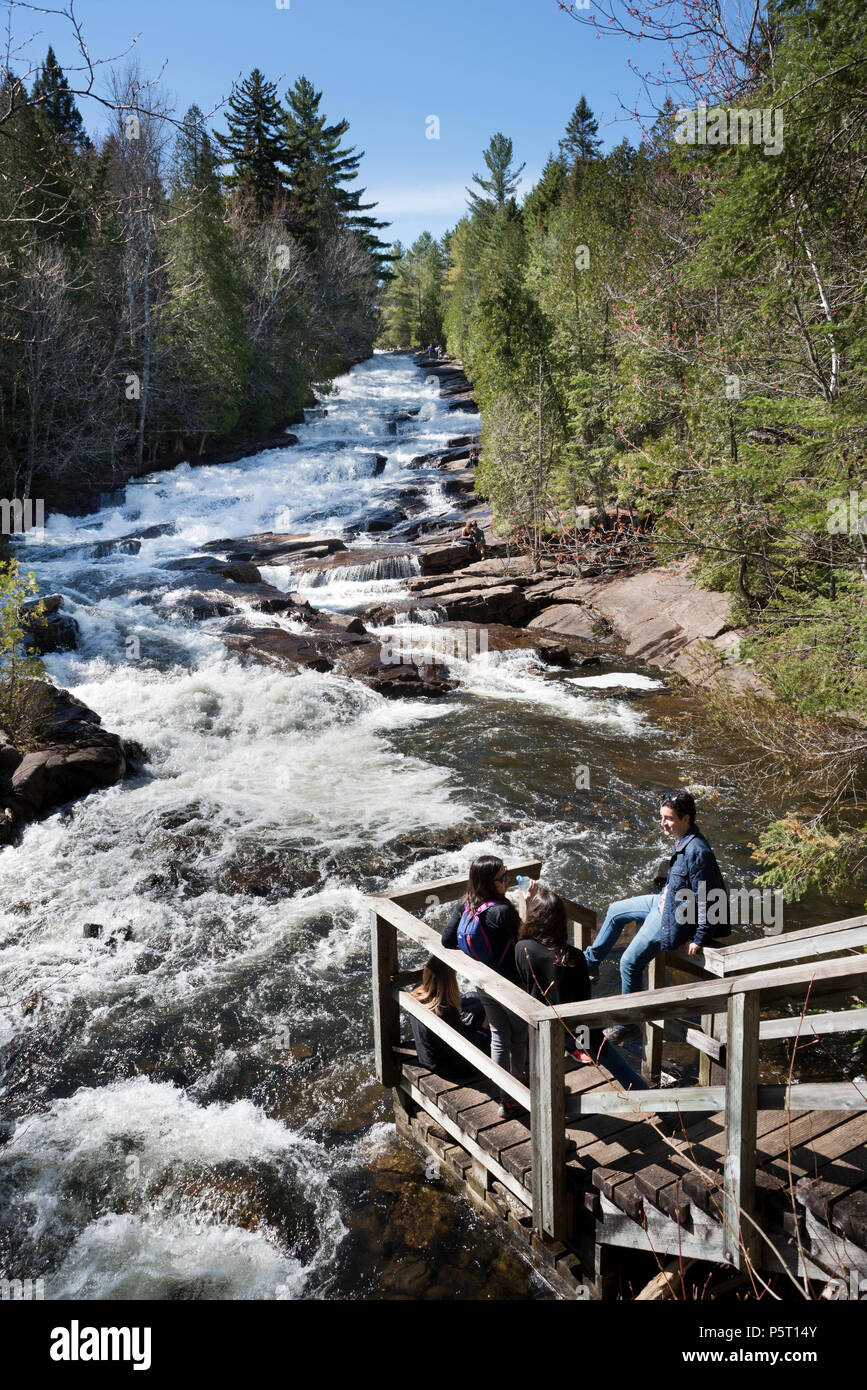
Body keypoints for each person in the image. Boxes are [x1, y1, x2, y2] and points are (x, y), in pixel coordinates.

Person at [583, 790, 727, 1043]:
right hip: (663, 901)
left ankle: (628, 1024)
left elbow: (709, 896)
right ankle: (590, 961)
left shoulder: (698, 852)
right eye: (662, 817)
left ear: (686, 818)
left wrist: (699, 937)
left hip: (670, 918)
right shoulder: (683, 840)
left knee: (629, 962)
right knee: (616, 910)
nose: (663, 823)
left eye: (669, 818)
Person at [515, 885, 647, 1092]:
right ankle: (655, 1104)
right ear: (560, 921)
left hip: (540, 1027)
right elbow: (583, 1000)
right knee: (617, 1064)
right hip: (577, 1029)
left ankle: (550, 1094)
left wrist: (529, 900)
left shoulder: (522, 948)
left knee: (548, 1064)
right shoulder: (574, 957)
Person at [442, 855, 525, 1117]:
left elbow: (447, 940)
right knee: (519, 1037)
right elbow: (528, 943)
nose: (507, 880)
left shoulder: (466, 903)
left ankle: (505, 1097)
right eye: (503, 878)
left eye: (507, 874)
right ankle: (518, 1090)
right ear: (490, 882)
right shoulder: (502, 912)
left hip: (484, 983)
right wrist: (530, 904)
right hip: (511, 986)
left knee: (500, 1036)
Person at [407, 957, 490, 1082]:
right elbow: (465, 1050)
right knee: (495, 1032)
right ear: (450, 980)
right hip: (450, 1068)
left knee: (472, 997)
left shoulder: (417, 992)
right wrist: (484, 1027)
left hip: (427, 1057)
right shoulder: (445, 1010)